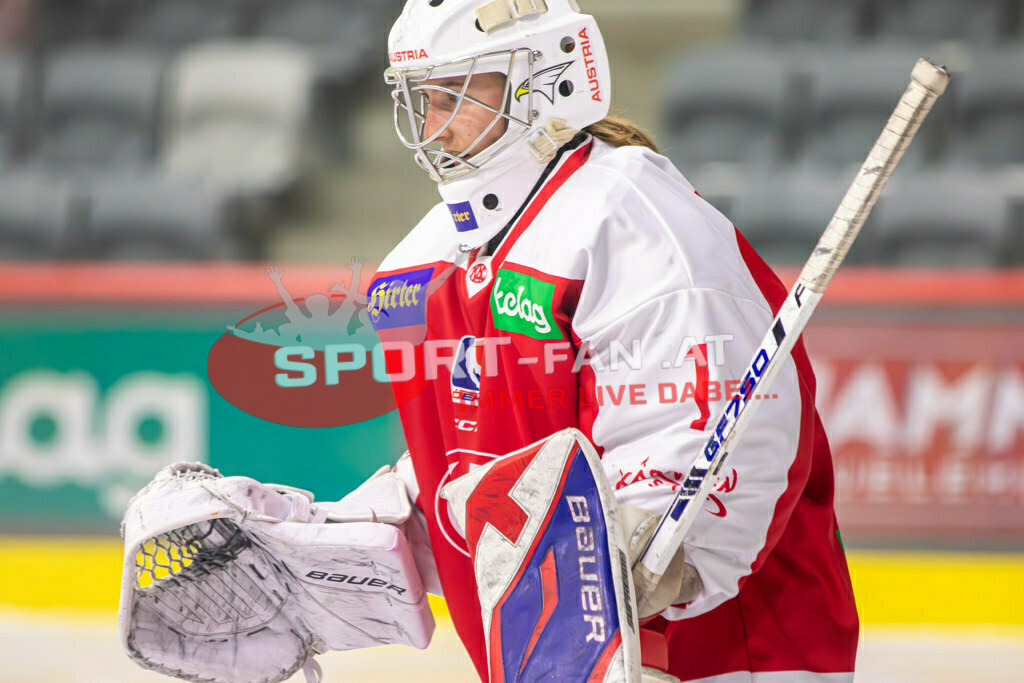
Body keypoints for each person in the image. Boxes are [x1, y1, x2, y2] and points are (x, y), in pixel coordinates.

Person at [371, 1, 859, 681]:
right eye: (423, 97)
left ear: (547, 79)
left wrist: (665, 548)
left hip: (727, 658)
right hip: (553, 663)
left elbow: (731, 430)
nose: (432, 127)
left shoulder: (631, 219)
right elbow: (474, 457)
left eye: (456, 93)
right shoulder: (423, 260)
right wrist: (351, 541)